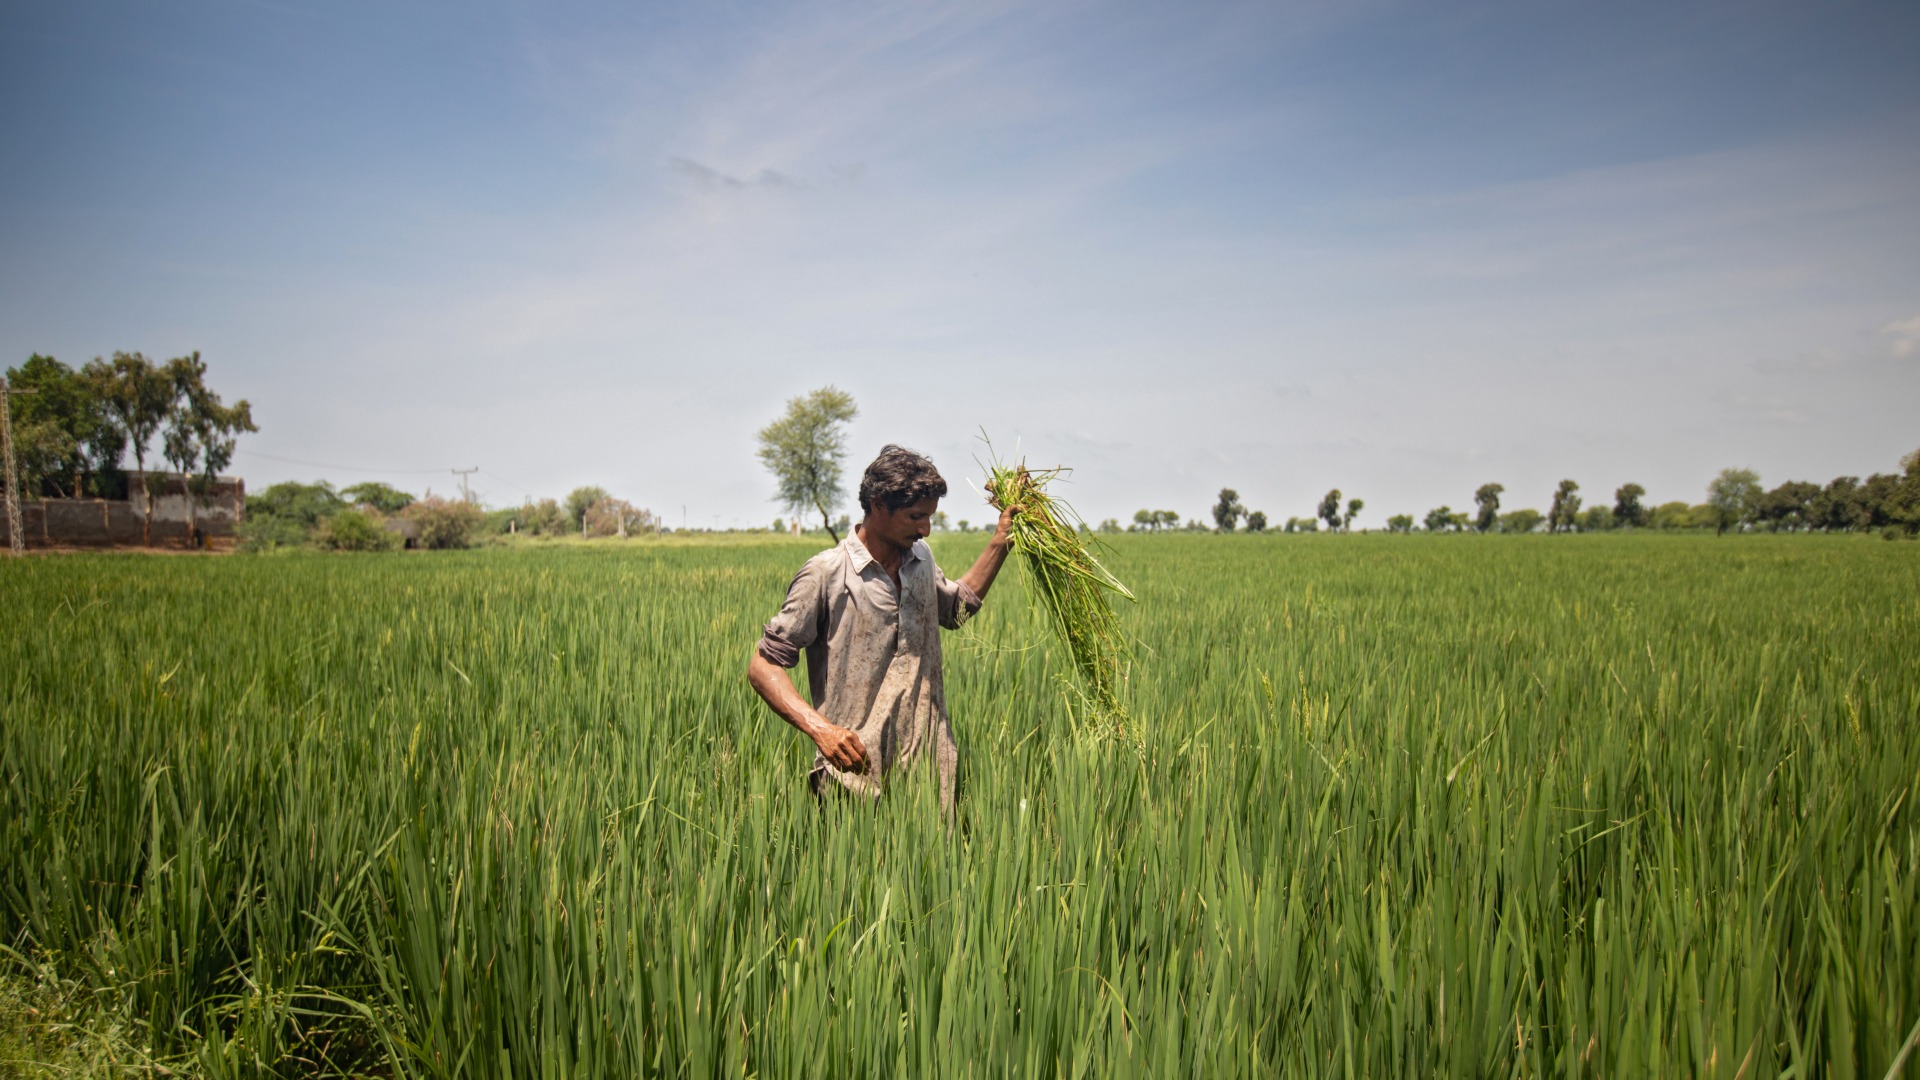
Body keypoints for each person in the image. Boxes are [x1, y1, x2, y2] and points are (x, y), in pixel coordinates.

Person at [748, 444, 1016, 811]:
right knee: (853, 868)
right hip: (854, 773)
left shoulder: (921, 560)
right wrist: (821, 730)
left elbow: (955, 610)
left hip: (927, 771)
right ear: (877, 506)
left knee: (931, 867)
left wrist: (1002, 539)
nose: (926, 529)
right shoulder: (826, 573)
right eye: (915, 517)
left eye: (930, 517)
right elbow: (763, 666)